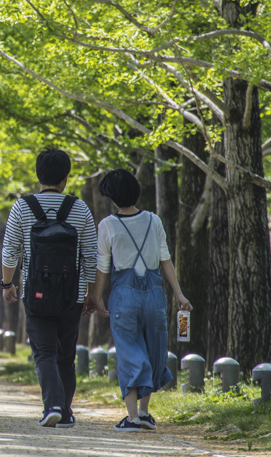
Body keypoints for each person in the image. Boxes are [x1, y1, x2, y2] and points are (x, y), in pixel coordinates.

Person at [2, 147, 97, 429]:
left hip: (36, 293)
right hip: (73, 295)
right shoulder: (80, 208)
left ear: (38, 175)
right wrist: (91, 293)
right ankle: (65, 412)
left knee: (44, 352)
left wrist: (8, 284)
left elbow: (10, 251)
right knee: (66, 355)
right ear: (66, 177)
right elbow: (90, 255)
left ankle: (52, 406)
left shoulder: (22, 206)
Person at [92, 169, 191, 432]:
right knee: (153, 348)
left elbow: (102, 267)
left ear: (113, 197)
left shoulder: (107, 225)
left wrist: (96, 297)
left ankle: (132, 417)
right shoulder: (153, 220)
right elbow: (165, 260)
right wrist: (179, 294)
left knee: (128, 350)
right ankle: (146, 413)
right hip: (155, 293)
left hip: (124, 295)